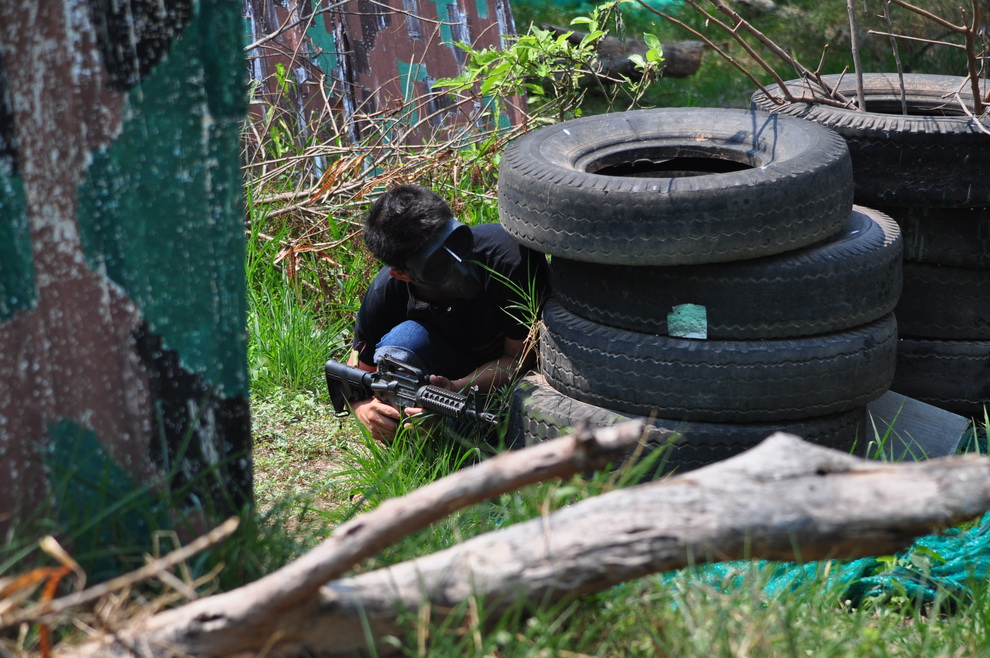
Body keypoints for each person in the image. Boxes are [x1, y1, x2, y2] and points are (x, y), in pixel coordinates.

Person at [347, 184, 549, 442]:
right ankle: (417, 434)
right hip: (439, 378)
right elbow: (357, 371)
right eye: (437, 264)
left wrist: (456, 389)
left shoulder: (510, 258)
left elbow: (518, 358)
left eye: (457, 242)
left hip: (500, 380)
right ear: (402, 274)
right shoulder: (386, 291)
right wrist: (362, 409)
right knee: (403, 342)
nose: (460, 265)